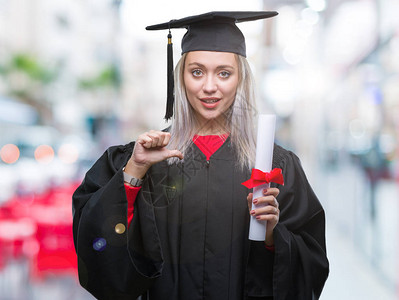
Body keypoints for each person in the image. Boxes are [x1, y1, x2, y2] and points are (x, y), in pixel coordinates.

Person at [72, 11, 329, 300]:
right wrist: (134, 171)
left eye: (224, 73)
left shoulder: (275, 164)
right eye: (197, 72)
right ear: (180, 78)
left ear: (240, 79)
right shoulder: (144, 158)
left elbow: (310, 265)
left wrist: (272, 236)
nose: (209, 86)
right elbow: (98, 248)